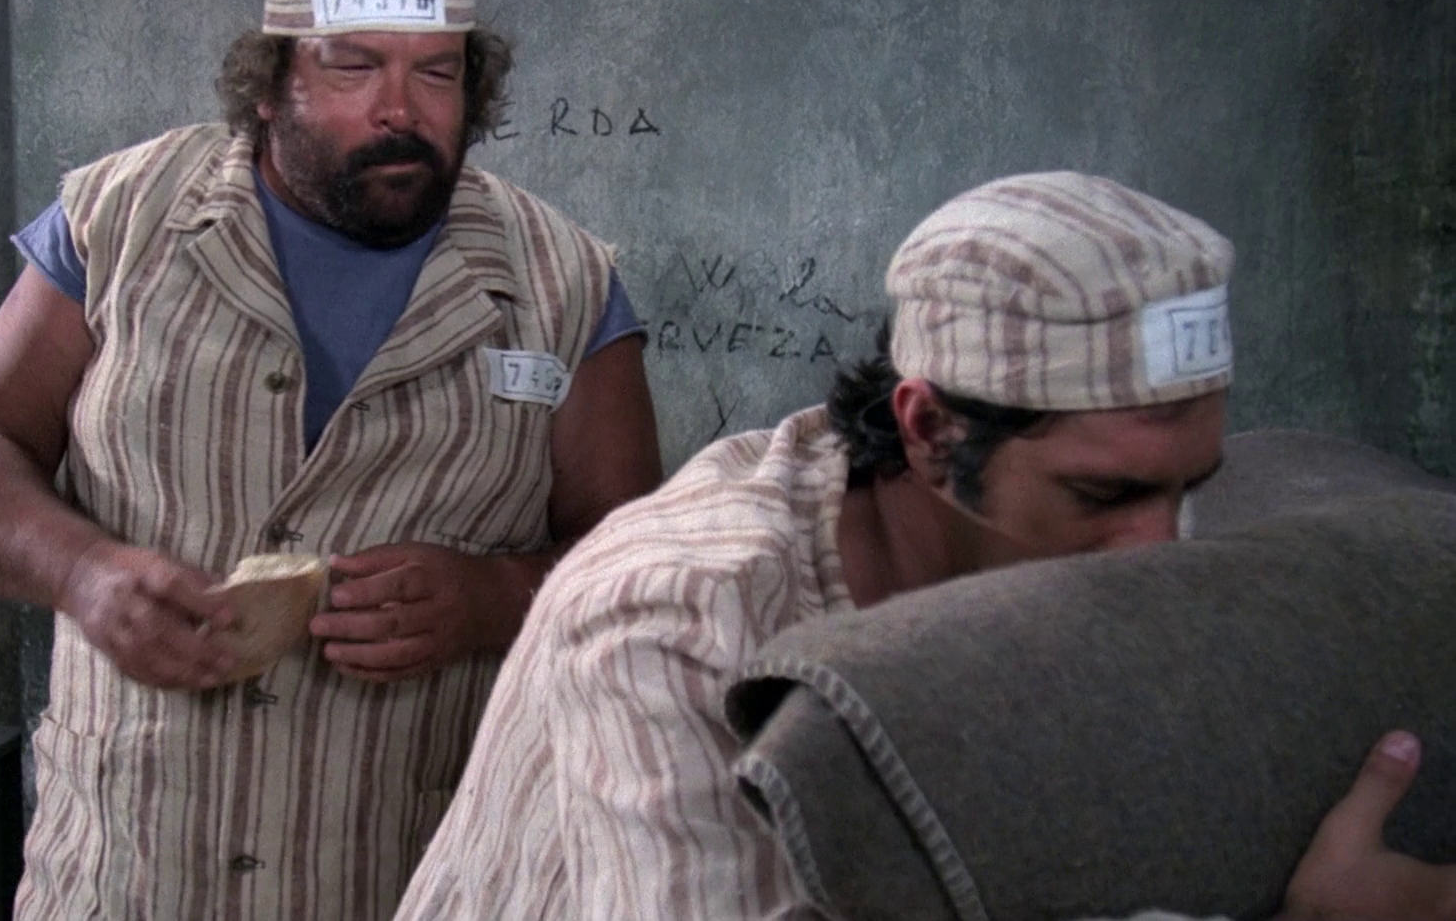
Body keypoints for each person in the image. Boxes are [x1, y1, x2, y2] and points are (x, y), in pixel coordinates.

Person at [396, 171, 1456, 920]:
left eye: (1188, 489)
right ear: (930, 432)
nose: (1158, 550)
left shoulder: (1091, 571)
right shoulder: (678, 614)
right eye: (1103, 494)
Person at [0, 0, 662, 921]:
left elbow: (635, 569)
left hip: (416, 879)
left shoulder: (563, 284)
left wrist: (494, 598)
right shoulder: (120, 222)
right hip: (128, 875)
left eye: (437, 74)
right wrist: (82, 573)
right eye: (353, 67)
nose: (400, 109)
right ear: (269, 84)